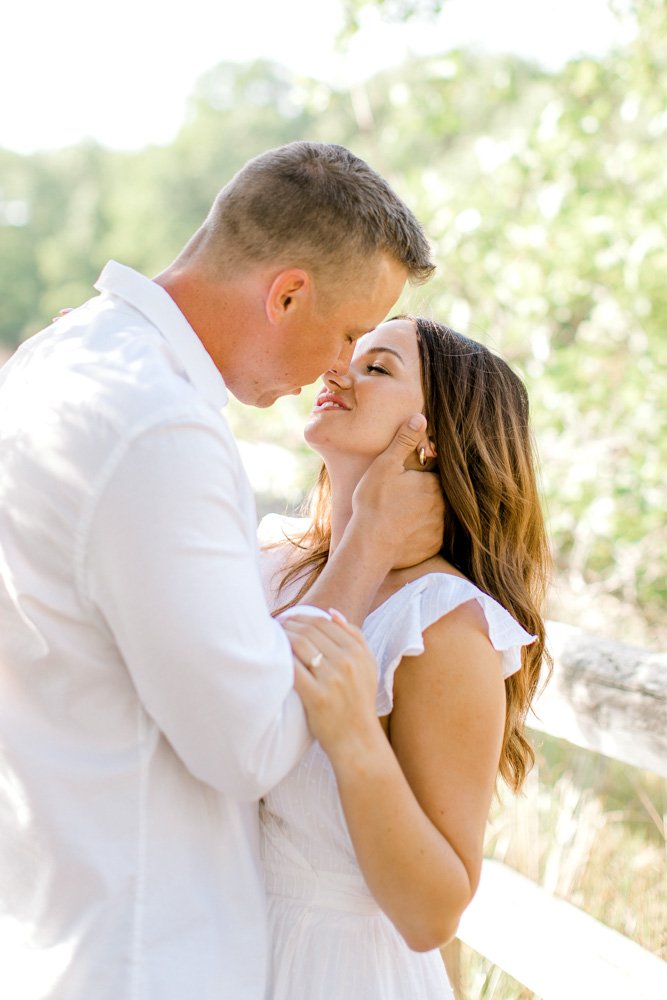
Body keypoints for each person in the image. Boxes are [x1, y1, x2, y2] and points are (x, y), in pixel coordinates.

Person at [0, 143, 442, 1000]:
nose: (338, 368)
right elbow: (253, 745)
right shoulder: (157, 426)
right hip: (144, 955)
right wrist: (364, 551)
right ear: (286, 294)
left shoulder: (53, 367)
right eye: (351, 333)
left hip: (53, 920)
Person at [257, 316, 551, 999]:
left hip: (331, 972)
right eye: (346, 354)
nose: (336, 370)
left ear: (432, 437)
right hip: (214, 944)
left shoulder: (441, 625)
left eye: (376, 367)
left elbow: (433, 912)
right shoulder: (274, 561)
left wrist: (357, 736)